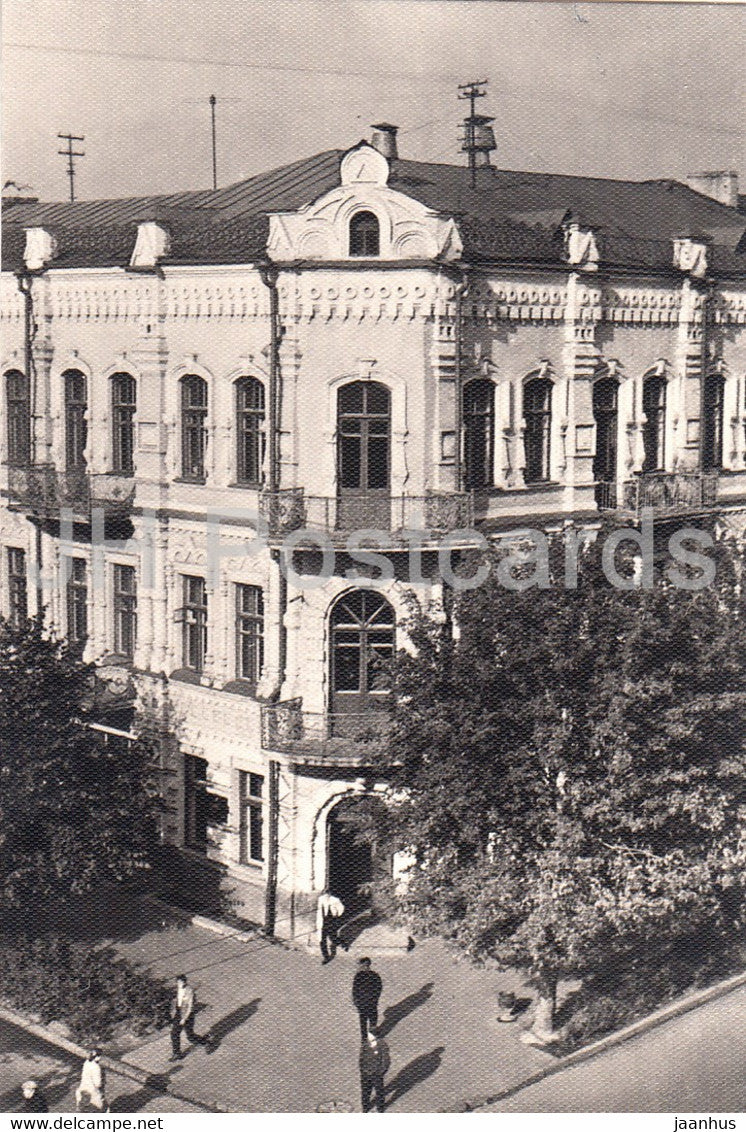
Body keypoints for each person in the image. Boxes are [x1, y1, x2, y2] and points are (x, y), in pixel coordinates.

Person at [170, 973, 209, 1060]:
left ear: (185, 982)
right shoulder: (179, 989)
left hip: (187, 1015)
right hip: (179, 1013)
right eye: (178, 982)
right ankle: (177, 1053)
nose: (179, 984)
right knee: (174, 1034)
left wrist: (184, 1018)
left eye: (181, 982)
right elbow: (177, 1001)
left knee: (190, 1036)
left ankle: (206, 1043)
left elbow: (190, 1007)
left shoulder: (189, 991)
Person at [359, 1027, 390, 1113]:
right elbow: (361, 1057)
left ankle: (380, 1107)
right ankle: (365, 1107)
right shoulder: (365, 1044)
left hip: (376, 1073)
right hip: (365, 1072)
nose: (368, 1036)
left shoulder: (382, 1045)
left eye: (370, 1034)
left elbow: (386, 1061)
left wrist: (381, 1072)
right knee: (365, 1091)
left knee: (379, 1091)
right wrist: (362, 1069)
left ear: (375, 1036)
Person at [352, 957, 383, 1040]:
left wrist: (375, 998)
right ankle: (364, 1038)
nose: (365, 967)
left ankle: (372, 1034)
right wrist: (356, 1000)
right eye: (363, 965)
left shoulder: (374, 975)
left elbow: (379, 987)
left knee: (373, 1018)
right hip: (362, 1002)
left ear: (369, 965)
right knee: (363, 1020)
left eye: (366, 965)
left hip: (371, 1001)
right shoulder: (358, 976)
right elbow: (355, 989)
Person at [316, 890, 345, 964]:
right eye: (325, 894)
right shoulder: (321, 899)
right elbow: (319, 910)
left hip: (332, 921)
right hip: (323, 921)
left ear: (330, 894)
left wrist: (337, 914)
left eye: (328, 894)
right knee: (322, 940)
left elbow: (341, 908)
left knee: (332, 937)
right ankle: (326, 956)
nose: (327, 895)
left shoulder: (335, 900)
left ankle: (341, 942)